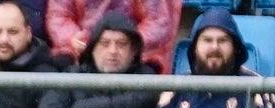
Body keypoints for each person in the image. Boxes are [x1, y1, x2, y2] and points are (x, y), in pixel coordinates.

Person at [147, 8, 275, 108]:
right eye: (207, 40)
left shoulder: (257, 89)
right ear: (195, 47)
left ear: (235, 46)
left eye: (222, 40)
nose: (215, 47)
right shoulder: (175, 90)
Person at [36, 11, 159, 108]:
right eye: (105, 43)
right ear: (92, 48)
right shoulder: (71, 76)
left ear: (133, 51)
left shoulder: (147, 79)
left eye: (122, 44)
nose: (113, 51)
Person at [44, 0, 177, 73]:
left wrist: (130, 41)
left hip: (132, 50)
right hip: (80, 50)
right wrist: (72, 38)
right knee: (57, 67)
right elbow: (58, 16)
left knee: (147, 71)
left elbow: (158, 21)